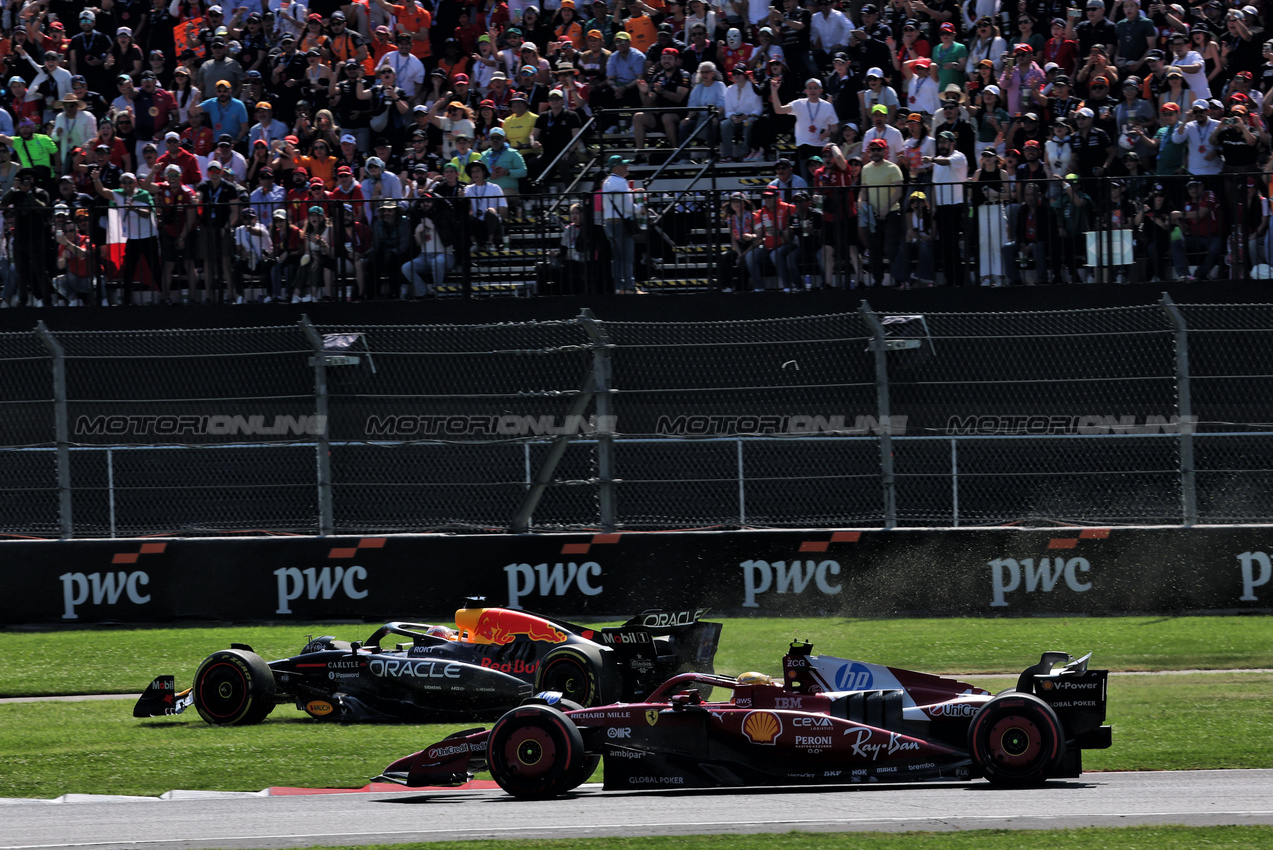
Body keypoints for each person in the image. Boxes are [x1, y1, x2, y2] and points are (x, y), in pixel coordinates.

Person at [93, 169, 158, 305]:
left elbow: (147, 213)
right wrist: (96, 179)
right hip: (132, 238)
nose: (127, 184)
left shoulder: (144, 194)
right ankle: (127, 300)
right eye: (124, 182)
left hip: (148, 237)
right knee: (128, 270)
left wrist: (134, 209)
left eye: (130, 182)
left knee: (155, 269)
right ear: (121, 184)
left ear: (135, 183)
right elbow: (103, 192)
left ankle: (164, 297)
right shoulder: (119, 194)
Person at [769, 75, 838, 179]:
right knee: (806, 179)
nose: (812, 90)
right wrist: (774, 91)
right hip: (804, 146)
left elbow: (835, 128)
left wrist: (828, 133)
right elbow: (779, 110)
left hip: (820, 146)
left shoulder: (827, 106)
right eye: (810, 88)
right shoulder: (799, 103)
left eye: (815, 88)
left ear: (820, 91)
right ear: (806, 91)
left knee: (821, 179)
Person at [858, 137, 904, 287]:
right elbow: (864, 190)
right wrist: (861, 202)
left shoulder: (893, 168)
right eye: (873, 150)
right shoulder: (865, 169)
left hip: (891, 213)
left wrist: (886, 208)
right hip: (873, 215)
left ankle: (898, 280)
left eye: (878, 149)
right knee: (874, 250)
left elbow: (898, 191)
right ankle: (877, 281)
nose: (875, 152)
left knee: (891, 248)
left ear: (885, 151)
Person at [401, 193, 458, 297]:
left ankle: (438, 292)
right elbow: (419, 244)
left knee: (437, 262)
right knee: (406, 267)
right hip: (424, 256)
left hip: (445, 255)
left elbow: (448, 238)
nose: (425, 204)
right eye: (422, 202)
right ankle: (425, 293)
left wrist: (433, 226)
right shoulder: (419, 218)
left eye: (429, 201)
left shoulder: (444, 218)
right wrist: (417, 232)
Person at [1001, 180, 1054, 285]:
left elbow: (1046, 233)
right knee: (1007, 248)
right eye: (1027, 195)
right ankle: (1015, 280)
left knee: (1037, 247)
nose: (1029, 197)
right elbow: (1018, 230)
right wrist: (1022, 244)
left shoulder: (1046, 209)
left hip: (1041, 242)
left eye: (1032, 194)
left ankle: (1042, 280)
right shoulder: (1023, 209)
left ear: (1038, 195)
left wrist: (1030, 246)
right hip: (1025, 242)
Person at [1170, 178, 1223, 281]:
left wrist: (1179, 214)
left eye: (1196, 186)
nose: (1193, 190)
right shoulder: (1188, 204)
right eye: (1190, 187)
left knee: (1215, 250)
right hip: (1196, 238)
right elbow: (1186, 230)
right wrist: (1175, 221)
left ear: (1202, 186)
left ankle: (1199, 276)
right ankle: (1184, 275)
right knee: (1176, 243)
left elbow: (1202, 213)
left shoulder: (1209, 195)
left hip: (1213, 237)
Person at [970, 149, 1008, 285]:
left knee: (998, 242)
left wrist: (995, 194)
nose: (987, 158)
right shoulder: (978, 173)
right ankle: (986, 276)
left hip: (996, 207)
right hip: (982, 209)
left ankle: (1000, 275)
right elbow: (972, 194)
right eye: (985, 156)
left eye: (990, 156)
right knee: (984, 243)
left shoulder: (1002, 173)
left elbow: (1010, 194)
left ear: (995, 158)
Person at [600, 154, 637, 293]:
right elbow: (627, 207)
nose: (627, 167)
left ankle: (618, 286)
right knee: (627, 257)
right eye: (623, 165)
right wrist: (640, 209)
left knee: (617, 257)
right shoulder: (621, 182)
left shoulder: (607, 182)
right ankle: (629, 286)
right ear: (615, 168)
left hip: (609, 223)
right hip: (621, 223)